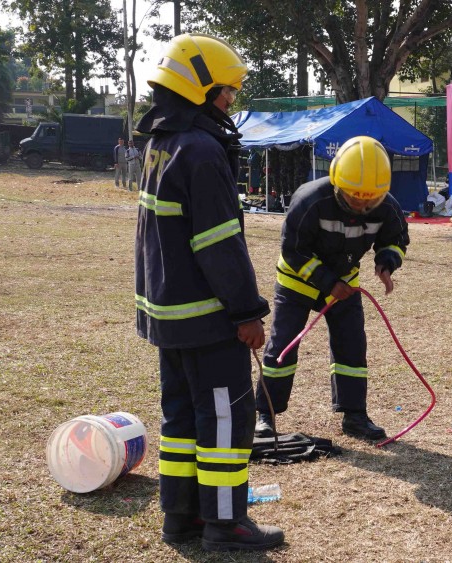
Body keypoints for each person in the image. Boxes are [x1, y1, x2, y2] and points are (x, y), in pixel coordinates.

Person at [134, 33, 284, 551]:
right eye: (226, 93)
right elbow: (219, 244)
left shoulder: (160, 144)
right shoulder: (200, 151)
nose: (230, 103)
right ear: (199, 89)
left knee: (181, 418)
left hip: (168, 317)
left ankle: (182, 517)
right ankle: (225, 524)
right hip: (207, 318)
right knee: (224, 418)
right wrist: (247, 311)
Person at [255, 135, 410, 443]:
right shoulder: (309, 200)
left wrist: (387, 263)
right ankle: (265, 414)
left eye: (371, 201)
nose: (363, 206)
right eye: (355, 199)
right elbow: (293, 250)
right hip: (298, 281)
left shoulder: (387, 205)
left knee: (352, 346)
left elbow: (396, 239)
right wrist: (327, 283)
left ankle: (354, 416)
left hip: (346, 283)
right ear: (338, 183)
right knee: (283, 345)